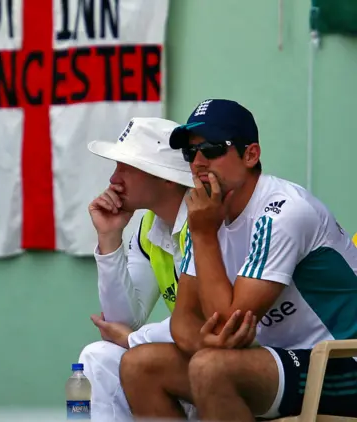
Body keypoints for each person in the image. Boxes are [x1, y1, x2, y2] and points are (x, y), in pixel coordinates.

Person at [119, 98, 357, 421]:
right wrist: (202, 339)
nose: (198, 163)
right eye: (190, 153)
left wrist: (203, 235)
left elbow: (229, 318)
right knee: (139, 366)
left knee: (210, 369)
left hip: (341, 360)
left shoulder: (284, 211)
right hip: (276, 361)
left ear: (251, 155)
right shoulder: (206, 213)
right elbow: (184, 320)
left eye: (212, 148)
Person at [79, 117, 196, 421]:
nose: (114, 179)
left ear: (166, 177)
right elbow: (122, 321)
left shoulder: (208, 220)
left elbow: (201, 322)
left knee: (133, 357)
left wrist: (135, 339)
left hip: (237, 361)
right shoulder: (148, 226)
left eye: (126, 168)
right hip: (186, 357)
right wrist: (109, 238)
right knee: (98, 356)